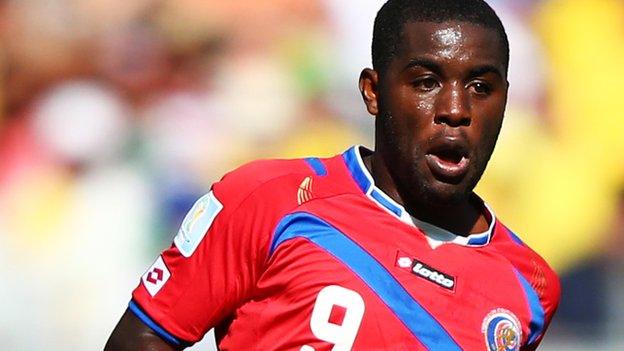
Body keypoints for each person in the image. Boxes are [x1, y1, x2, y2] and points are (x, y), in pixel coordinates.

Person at [105, 0, 560, 350]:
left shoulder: (530, 287)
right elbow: (144, 339)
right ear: (373, 92)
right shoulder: (268, 200)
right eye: (426, 82)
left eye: (481, 87)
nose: (456, 111)